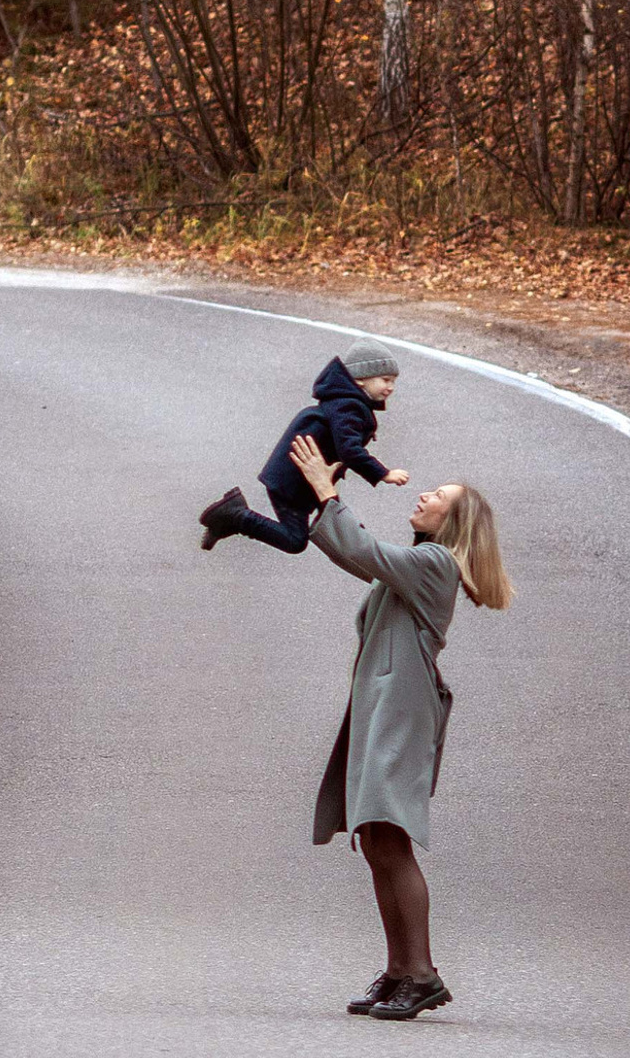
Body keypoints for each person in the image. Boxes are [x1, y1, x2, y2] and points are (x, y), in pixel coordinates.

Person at [288, 431, 513, 1021]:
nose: (424, 496)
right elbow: (356, 555)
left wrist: (323, 490)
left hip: (402, 714)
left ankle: (421, 974)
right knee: (377, 842)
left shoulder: (435, 564)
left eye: (438, 495)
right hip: (388, 711)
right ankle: (399, 970)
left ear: (453, 521)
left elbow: (365, 553)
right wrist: (320, 502)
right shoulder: (420, 565)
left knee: (391, 838)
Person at [198, 339, 411, 556]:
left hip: (304, 478)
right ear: (361, 379)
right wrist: (383, 473)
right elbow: (350, 450)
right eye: (385, 380)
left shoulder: (345, 401)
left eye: (393, 381)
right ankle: (236, 515)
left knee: (333, 515)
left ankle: (230, 518)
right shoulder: (349, 406)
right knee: (295, 540)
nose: (390, 387)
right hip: (292, 481)